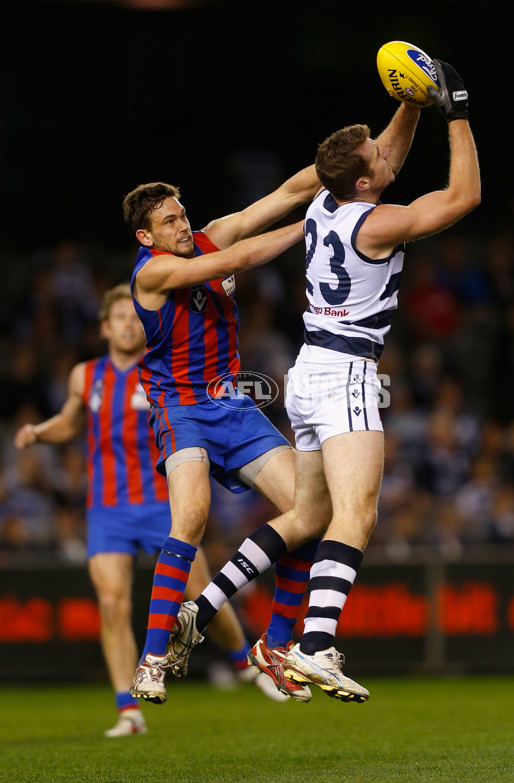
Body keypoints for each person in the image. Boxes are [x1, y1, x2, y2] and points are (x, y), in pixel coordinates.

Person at [169, 58, 481, 702]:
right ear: (366, 178)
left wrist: (413, 102)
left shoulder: (325, 201)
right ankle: (314, 647)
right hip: (346, 374)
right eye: (375, 154)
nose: (384, 153)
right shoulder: (380, 221)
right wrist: (459, 111)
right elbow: (463, 198)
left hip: (308, 368)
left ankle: (203, 605)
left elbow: (382, 158)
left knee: (308, 513)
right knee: (356, 515)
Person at [13, 285, 288, 739]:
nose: (126, 324)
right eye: (117, 318)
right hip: (108, 509)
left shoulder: (163, 371)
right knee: (111, 602)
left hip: (164, 501)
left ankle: (245, 664)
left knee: (200, 591)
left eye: (132, 317)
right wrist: (40, 433)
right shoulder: (86, 376)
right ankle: (128, 710)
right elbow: (70, 419)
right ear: (104, 327)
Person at [124, 167, 331, 705]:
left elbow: (287, 192)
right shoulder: (152, 273)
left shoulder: (211, 233)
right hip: (181, 409)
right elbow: (236, 261)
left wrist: (345, 165)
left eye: (183, 214)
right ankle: (152, 660)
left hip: (233, 406)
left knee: (311, 513)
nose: (182, 225)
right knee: (190, 518)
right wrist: (317, 225)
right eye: (168, 221)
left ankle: (276, 646)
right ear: (146, 237)